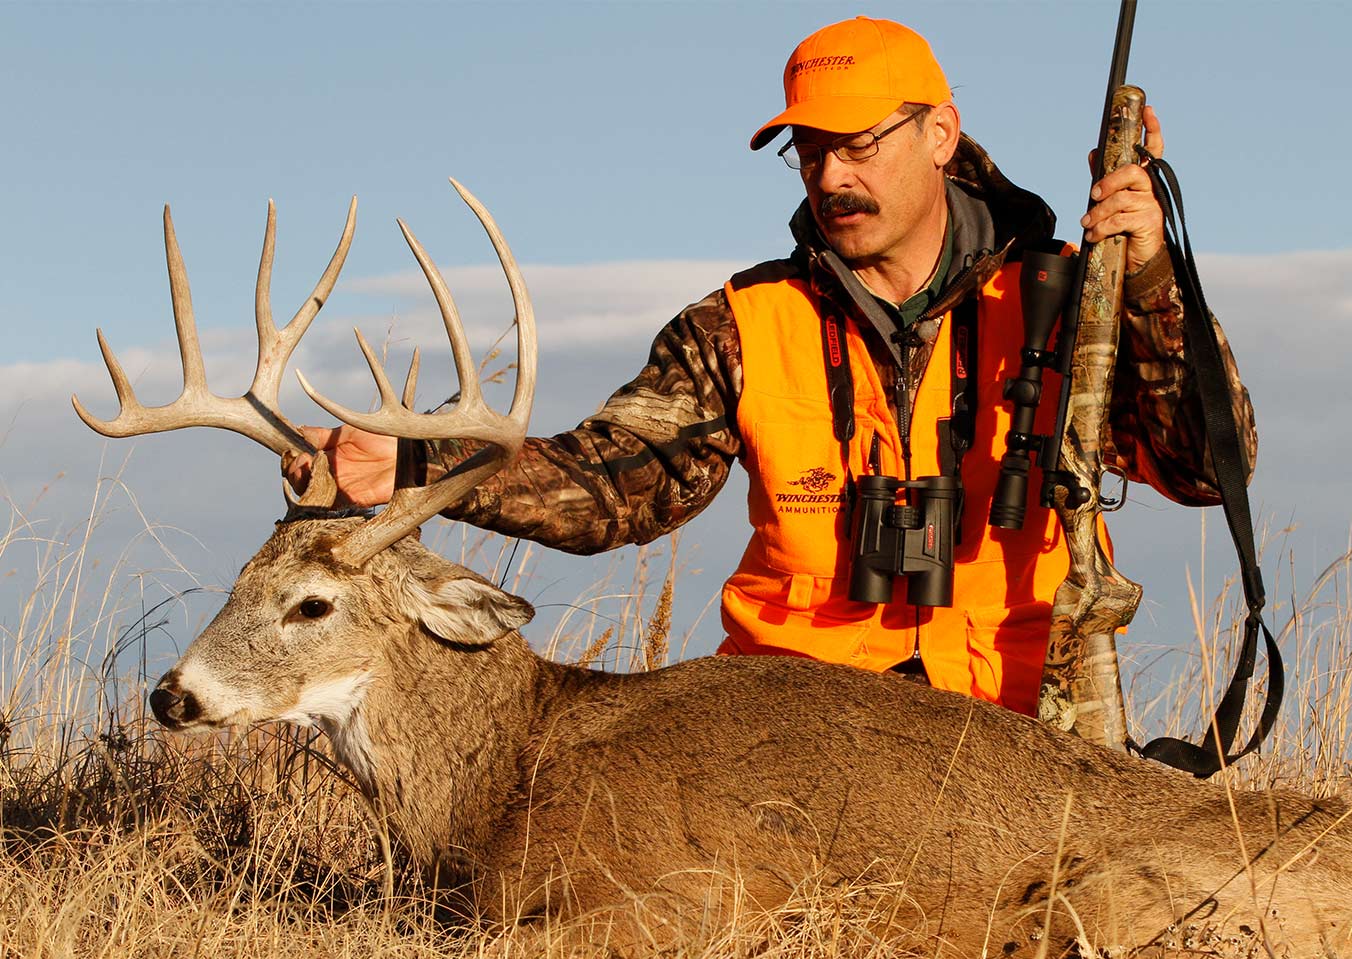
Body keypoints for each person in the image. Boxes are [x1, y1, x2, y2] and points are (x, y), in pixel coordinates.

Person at [284, 16, 1254, 715]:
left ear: (941, 135)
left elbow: (1208, 468)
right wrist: (415, 468)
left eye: (859, 144)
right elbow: (619, 485)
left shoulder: (1067, 301)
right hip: (798, 720)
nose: (833, 175)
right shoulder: (746, 324)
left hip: (1021, 711)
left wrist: (1154, 279)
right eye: (810, 150)